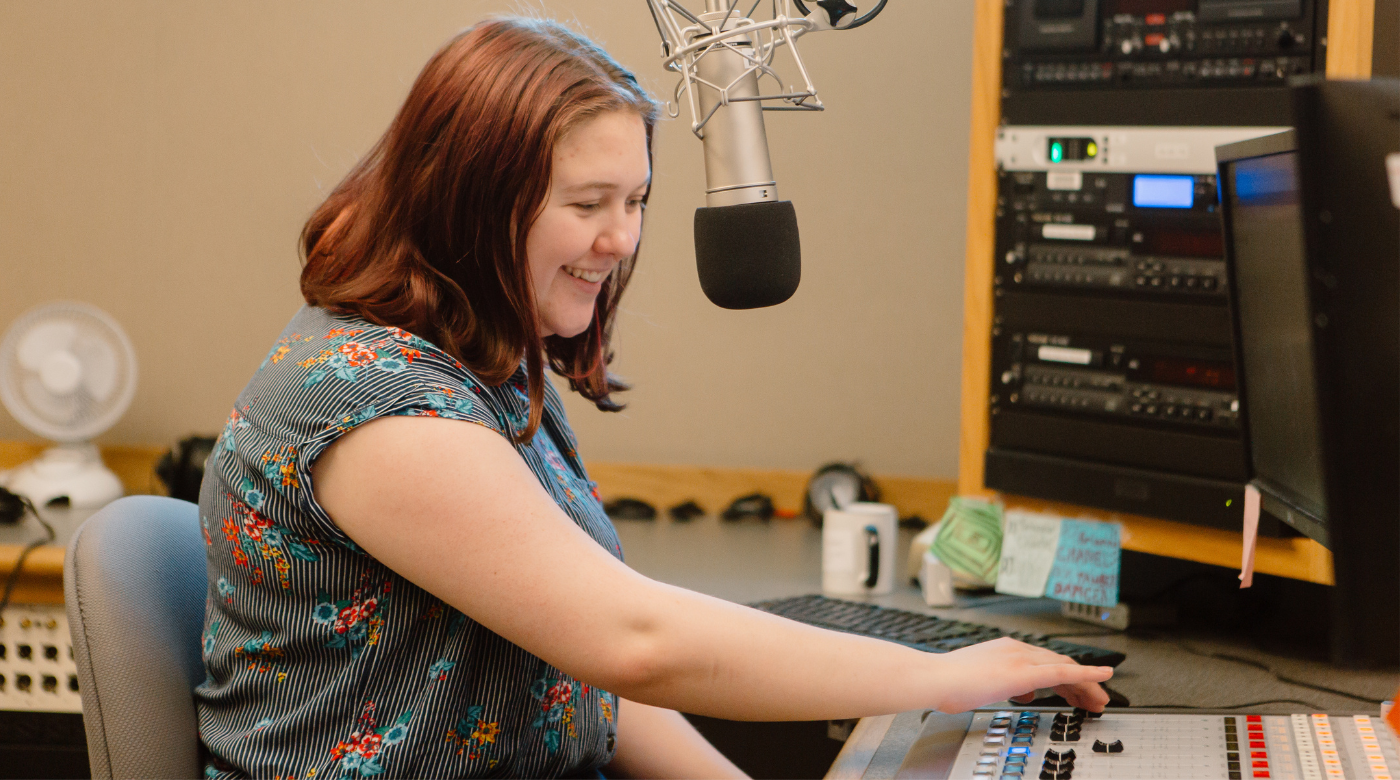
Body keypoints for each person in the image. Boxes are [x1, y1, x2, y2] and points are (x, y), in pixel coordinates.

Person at [195, 15, 1112, 779]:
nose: (621, 240)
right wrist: (940, 677)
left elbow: (592, 680)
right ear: (467, 202)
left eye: (634, 201)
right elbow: (633, 641)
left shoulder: (487, 364)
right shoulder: (377, 409)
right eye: (588, 204)